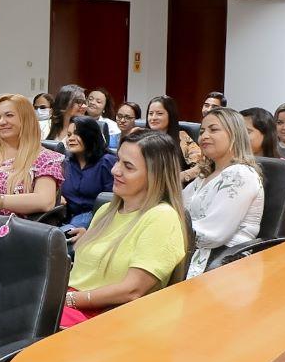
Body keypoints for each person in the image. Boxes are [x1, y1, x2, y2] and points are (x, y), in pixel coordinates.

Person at [59, 131, 187, 328]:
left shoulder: (162, 217)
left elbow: (132, 290)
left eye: (128, 166)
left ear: (155, 175)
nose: (115, 171)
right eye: (118, 161)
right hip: (72, 304)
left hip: (106, 318)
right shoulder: (105, 211)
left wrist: (66, 300)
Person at [183, 107, 264, 277]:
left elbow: (212, 235)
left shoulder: (241, 174)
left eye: (213, 130)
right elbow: (177, 208)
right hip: (195, 253)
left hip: (224, 266)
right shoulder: (205, 176)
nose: (204, 136)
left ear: (234, 134)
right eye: (202, 131)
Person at [242, 107, 285, 237]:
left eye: (247, 131)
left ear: (266, 134)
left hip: (281, 239)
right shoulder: (233, 167)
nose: (239, 137)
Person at [61, 116, 117, 229]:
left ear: (90, 136)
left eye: (77, 134)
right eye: (68, 135)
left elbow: (111, 201)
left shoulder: (107, 162)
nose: (71, 139)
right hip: (65, 216)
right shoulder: (66, 163)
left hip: (96, 217)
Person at [148, 95, 201, 182]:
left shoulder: (182, 137)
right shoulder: (141, 137)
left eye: (159, 113)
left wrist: (180, 177)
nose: (153, 118)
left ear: (171, 115)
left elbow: (201, 165)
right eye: (150, 113)